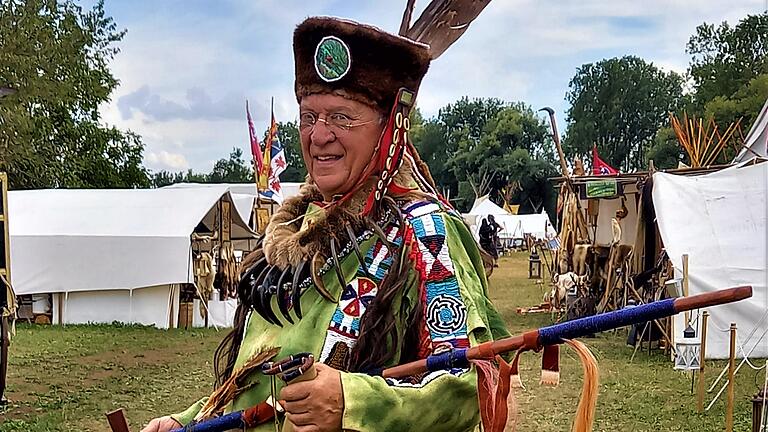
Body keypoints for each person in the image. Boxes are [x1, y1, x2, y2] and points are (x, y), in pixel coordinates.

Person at [142, 14, 508, 432]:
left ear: (390, 129)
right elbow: (252, 385)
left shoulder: (424, 235)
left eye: (341, 117)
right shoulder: (287, 238)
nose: (318, 136)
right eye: (309, 117)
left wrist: (353, 403)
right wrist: (188, 422)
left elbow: (470, 384)